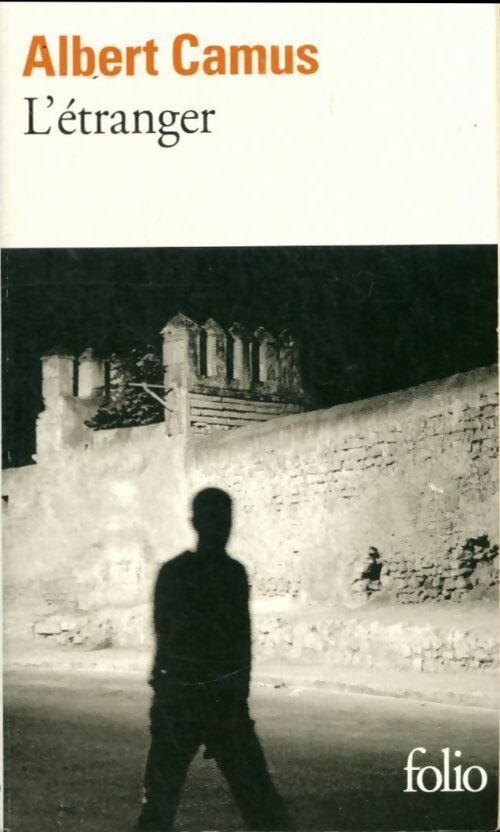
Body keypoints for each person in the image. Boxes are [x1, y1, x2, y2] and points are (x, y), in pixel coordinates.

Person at [135, 487, 292, 832]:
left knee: (160, 804)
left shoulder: (175, 572)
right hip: (220, 703)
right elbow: (240, 643)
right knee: (261, 804)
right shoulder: (231, 573)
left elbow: (164, 639)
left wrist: (162, 698)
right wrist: (238, 701)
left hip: (182, 700)